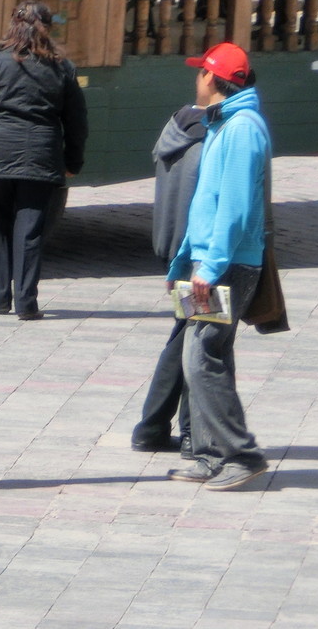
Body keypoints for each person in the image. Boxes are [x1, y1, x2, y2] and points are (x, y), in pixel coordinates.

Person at [163, 40, 272, 491]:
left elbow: (234, 207)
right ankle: (209, 455)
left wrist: (209, 266)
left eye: (200, 73)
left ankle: (240, 455)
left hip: (224, 265)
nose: (196, 80)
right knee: (209, 355)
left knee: (200, 356)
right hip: (210, 260)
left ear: (212, 78)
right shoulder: (226, 122)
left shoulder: (242, 128)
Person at [0, 0, 89, 321]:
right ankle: (27, 302)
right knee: (30, 230)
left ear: (13, 25)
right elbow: (77, 121)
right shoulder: (61, 67)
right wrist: (73, 161)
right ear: (48, 28)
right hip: (41, 154)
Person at [130, 101, 208, 455]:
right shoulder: (209, 141)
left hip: (171, 247)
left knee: (187, 330)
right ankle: (189, 434)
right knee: (199, 338)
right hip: (196, 256)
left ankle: (153, 427)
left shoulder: (174, 132)